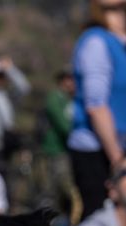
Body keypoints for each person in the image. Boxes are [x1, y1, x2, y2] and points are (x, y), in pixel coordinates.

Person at [69, 0, 126, 217]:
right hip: (100, 151)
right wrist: (118, 160)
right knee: (100, 220)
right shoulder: (96, 41)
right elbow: (96, 105)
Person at [39, 70, 76, 216]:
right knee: (55, 189)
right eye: (69, 79)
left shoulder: (72, 99)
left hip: (68, 150)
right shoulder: (54, 98)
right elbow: (63, 125)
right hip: (55, 150)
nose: (72, 82)